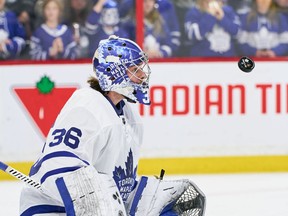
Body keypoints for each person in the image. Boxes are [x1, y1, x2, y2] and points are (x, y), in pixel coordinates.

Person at [19, 35, 206, 215]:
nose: (143, 75)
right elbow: (57, 168)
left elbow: (120, 184)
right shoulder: (86, 107)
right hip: (51, 209)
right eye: (135, 69)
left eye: (142, 68)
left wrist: (145, 199)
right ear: (113, 72)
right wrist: (97, 200)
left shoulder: (130, 116)